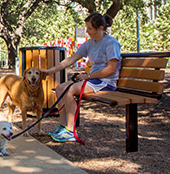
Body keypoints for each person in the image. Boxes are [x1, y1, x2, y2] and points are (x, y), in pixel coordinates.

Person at [41, 13, 121, 143]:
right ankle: (62, 126)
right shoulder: (89, 43)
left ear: (100, 28)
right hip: (92, 80)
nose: (87, 31)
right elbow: (71, 59)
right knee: (61, 88)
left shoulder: (111, 43)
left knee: (70, 90)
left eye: (89, 28)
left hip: (106, 82)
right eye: (86, 28)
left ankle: (70, 131)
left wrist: (88, 75)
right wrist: (51, 70)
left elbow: (111, 69)